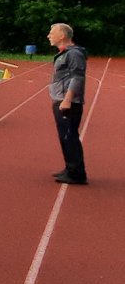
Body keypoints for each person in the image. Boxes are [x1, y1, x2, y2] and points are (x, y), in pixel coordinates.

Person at [48, 23, 88, 185]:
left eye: (52, 33)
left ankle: (77, 174)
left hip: (69, 102)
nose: (49, 36)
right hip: (60, 99)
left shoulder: (74, 54)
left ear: (62, 35)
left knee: (69, 136)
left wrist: (67, 99)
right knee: (64, 136)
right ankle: (70, 167)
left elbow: (77, 77)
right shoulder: (64, 53)